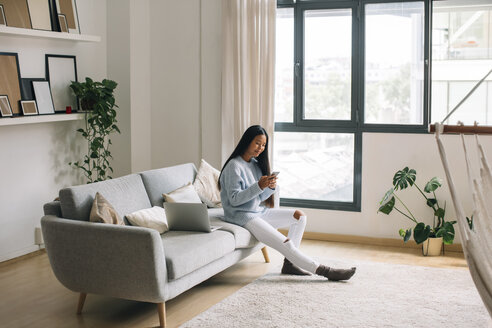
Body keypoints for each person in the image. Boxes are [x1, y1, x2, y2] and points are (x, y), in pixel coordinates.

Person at [218, 125, 356, 281]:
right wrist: (258, 186)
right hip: (242, 216)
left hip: (256, 211)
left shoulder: (255, 164)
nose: (260, 148)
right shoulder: (233, 166)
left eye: (263, 145)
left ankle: (289, 264)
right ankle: (325, 271)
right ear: (247, 141)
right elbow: (235, 200)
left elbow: (258, 197)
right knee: (285, 243)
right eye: (257, 143)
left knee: (299, 216)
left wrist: (270, 187)